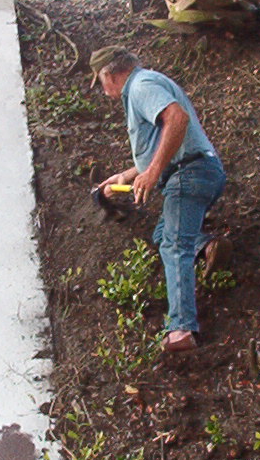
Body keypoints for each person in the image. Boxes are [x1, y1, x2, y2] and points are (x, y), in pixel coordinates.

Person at [91, 45, 229, 354]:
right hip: (202, 170)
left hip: (188, 172)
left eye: (100, 83)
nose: (104, 92)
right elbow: (163, 139)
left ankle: (181, 330)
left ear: (110, 74)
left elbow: (176, 120)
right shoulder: (148, 84)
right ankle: (207, 246)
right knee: (163, 235)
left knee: (174, 245)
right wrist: (125, 177)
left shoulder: (140, 86)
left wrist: (153, 173)